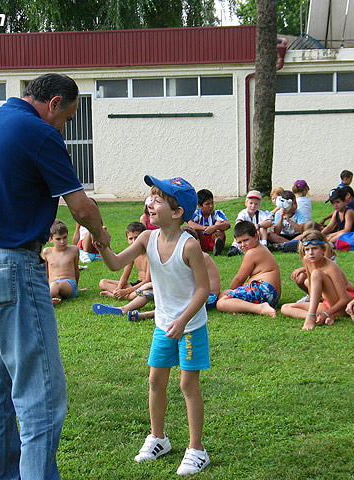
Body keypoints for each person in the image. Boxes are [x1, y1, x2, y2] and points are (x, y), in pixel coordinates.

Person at [0, 73, 110, 479]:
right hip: (9, 266)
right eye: (67, 118)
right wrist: (101, 236)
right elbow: (81, 209)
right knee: (41, 393)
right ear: (54, 103)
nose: (64, 127)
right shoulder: (41, 134)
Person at [95, 175, 211, 476]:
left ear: (177, 212)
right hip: (163, 325)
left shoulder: (189, 246)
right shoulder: (147, 238)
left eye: (158, 200)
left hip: (190, 327)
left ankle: (197, 449)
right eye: (151, 197)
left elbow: (204, 289)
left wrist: (182, 320)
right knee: (155, 381)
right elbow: (115, 263)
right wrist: (103, 245)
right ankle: (159, 438)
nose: (150, 202)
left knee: (187, 385)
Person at [280, 230, 354, 331]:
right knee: (285, 308)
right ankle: (316, 317)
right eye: (307, 250)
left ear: (323, 249)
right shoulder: (308, 260)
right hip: (327, 302)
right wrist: (324, 314)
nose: (311, 253)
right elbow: (311, 289)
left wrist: (327, 313)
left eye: (314, 248)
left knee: (316, 274)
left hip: (344, 304)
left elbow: (344, 299)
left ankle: (311, 317)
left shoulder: (331, 267)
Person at [217, 221, 281, 318]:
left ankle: (259, 308)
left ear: (256, 237)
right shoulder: (262, 248)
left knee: (221, 302)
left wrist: (230, 292)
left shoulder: (252, 253)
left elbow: (239, 279)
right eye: (239, 242)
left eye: (246, 240)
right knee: (226, 296)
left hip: (263, 290)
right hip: (273, 297)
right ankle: (243, 307)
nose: (243, 245)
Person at [99, 221, 150, 299]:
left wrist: (126, 291)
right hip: (137, 284)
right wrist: (119, 288)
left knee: (142, 293)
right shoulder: (132, 253)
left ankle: (115, 295)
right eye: (131, 238)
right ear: (127, 240)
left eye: (137, 238)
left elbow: (147, 280)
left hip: (148, 285)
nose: (134, 241)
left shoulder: (149, 254)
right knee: (103, 282)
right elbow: (125, 275)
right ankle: (119, 294)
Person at [42, 219, 80, 305]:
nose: (62, 242)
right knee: (56, 291)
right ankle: (54, 300)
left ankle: (42, 301)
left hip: (69, 285)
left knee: (56, 285)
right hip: (52, 285)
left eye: (65, 237)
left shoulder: (74, 250)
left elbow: (76, 270)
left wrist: (77, 287)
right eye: (58, 239)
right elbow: (45, 273)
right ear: (51, 239)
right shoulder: (47, 252)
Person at [227, 190, 273, 256]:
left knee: (263, 226)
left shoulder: (261, 213)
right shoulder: (243, 213)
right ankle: (234, 246)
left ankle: (264, 245)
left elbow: (269, 222)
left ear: (259, 205)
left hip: (257, 236)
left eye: (256, 204)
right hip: (245, 234)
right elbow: (238, 224)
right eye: (251, 203)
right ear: (246, 203)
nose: (253, 206)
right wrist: (249, 229)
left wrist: (258, 225)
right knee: (239, 230)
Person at [188, 188, 230, 256]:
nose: (211, 206)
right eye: (207, 204)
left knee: (219, 224)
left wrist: (215, 227)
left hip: (214, 237)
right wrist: (205, 228)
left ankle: (217, 245)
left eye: (212, 203)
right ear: (200, 206)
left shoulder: (217, 212)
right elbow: (189, 224)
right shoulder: (196, 213)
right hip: (202, 239)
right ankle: (196, 247)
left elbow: (227, 224)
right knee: (194, 230)